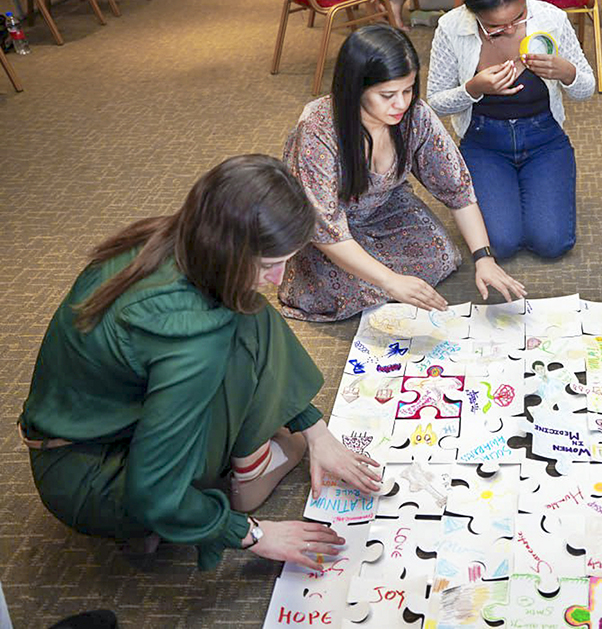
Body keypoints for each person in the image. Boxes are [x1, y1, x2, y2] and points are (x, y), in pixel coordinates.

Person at [19, 156, 381, 570]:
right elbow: (153, 491)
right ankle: (227, 487)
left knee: (252, 311)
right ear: (227, 247)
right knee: (241, 327)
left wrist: (316, 431)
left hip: (87, 435)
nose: (280, 279)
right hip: (93, 482)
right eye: (268, 265)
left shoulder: (171, 236)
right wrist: (252, 534)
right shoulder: (191, 334)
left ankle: (167, 519)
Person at [278, 24, 525, 322]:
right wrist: (390, 281)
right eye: (387, 94)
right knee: (343, 288)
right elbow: (323, 226)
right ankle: (374, 279)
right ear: (355, 88)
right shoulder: (318, 130)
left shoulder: (414, 115)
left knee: (441, 256)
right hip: (327, 233)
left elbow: (456, 187)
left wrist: (484, 258)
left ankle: (382, 277)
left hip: (385, 210)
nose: (401, 103)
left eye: (408, 90)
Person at [426, 0, 595, 260]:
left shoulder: (551, 18)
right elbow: (435, 101)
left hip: (544, 138)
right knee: (500, 245)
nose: (509, 29)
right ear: (471, 11)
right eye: (494, 27)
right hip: (483, 143)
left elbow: (586, 88)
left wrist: (567, 73)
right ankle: (502, 195)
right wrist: (473, 88)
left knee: (552, 244)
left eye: (517, 17)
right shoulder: (451, 27)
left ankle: (526, 192)